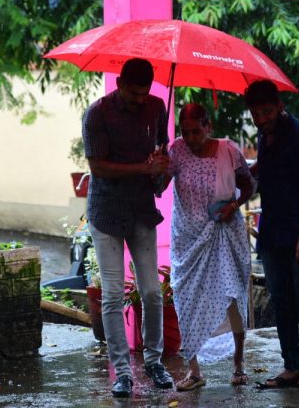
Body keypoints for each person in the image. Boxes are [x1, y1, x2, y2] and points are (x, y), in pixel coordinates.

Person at [81, 58, 174, 398]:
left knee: (151, 291)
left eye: (144, 93)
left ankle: (154, 361)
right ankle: (122, 371)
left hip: (141, 209)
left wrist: (163, 169)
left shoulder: (156, 107)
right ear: (119, 83)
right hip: (106, 211)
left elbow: (161, 158)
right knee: (113, 293)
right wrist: (142, 169)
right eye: (133, 94)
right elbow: (98, 166)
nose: (139, 100)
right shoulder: (97, 113)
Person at [164, 103, 255, 391]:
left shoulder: (228, 150)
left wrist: (233, 205)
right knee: (187, 298)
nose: (190, 138)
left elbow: (249, 186)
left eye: (196, 131)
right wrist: (156, 167)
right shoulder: (175, 150)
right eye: (185, 132)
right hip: (188, 238)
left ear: (208, 127)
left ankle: (238, 362)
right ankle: (194, 370)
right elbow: (158, 187)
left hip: (224, 233)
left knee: (231, 294)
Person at [244, 80, 299, 388]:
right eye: (256, 114)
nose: (262, 119)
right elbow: (261, 175)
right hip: (272, 231)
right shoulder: (265, 139)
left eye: (266, 112)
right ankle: (290, 364)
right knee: (280, 298)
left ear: (279, 105)